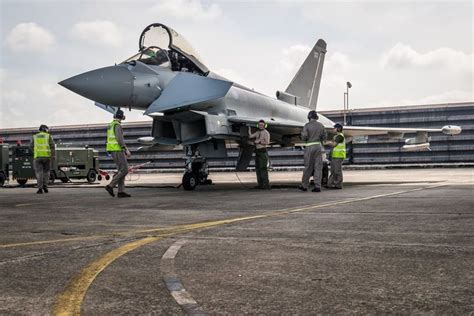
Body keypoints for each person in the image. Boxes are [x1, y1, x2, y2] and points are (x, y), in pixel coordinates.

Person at [105, 110, 131, 198]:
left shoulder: (111, 125)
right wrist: (125, 149)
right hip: (118, 150)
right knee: (124, 170)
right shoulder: (117, 125)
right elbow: (119, 139)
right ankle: (110, 185)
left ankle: (121, 192)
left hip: (112, 150)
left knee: (121, 170)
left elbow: (109, 139)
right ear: (122, 117)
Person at [299, 110, 327, 192]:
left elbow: (304, 137)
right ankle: (318, 186)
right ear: (316, 117)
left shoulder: (307, 126)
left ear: (309, 117)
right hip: (318, 147)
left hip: (309, 147)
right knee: (318, 167)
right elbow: (324, 137)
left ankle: (304, 185)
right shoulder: (321, 125)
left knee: (308, 167)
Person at [30, 124, 55, 194]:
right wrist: (53, 156)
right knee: (46, 172)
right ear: (46, 129)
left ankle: (40, 188)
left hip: (37, 157)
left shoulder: (34, 137)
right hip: (47, 157)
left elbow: (30, 146)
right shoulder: (48, 136)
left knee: (39, 173)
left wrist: (35, 152)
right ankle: (45, 186)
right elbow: (52, 146)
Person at [248, 120, 271, 189]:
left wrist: (259, 141)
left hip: (262, 151)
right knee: (258, 168)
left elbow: (267, 142)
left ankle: (266, 184)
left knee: (263, 168)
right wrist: (248, 129)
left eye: (262, 125)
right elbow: (250, 136)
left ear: (264, 125)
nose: (260, 126)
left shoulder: (266, 133)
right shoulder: (258, 132)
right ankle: (260, 184)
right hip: (257, 151)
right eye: (259, 125)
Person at [327, 122, 346, 189]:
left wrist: (328, 143)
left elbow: (334, 144)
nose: (333, 129)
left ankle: (338, 184)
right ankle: (330, 184)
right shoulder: (336, 136)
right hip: (335, 156)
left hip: (339, 156)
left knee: (337, 171)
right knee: (333, 170)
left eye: (335, 128)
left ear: (338, 129)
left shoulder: (340, 136)